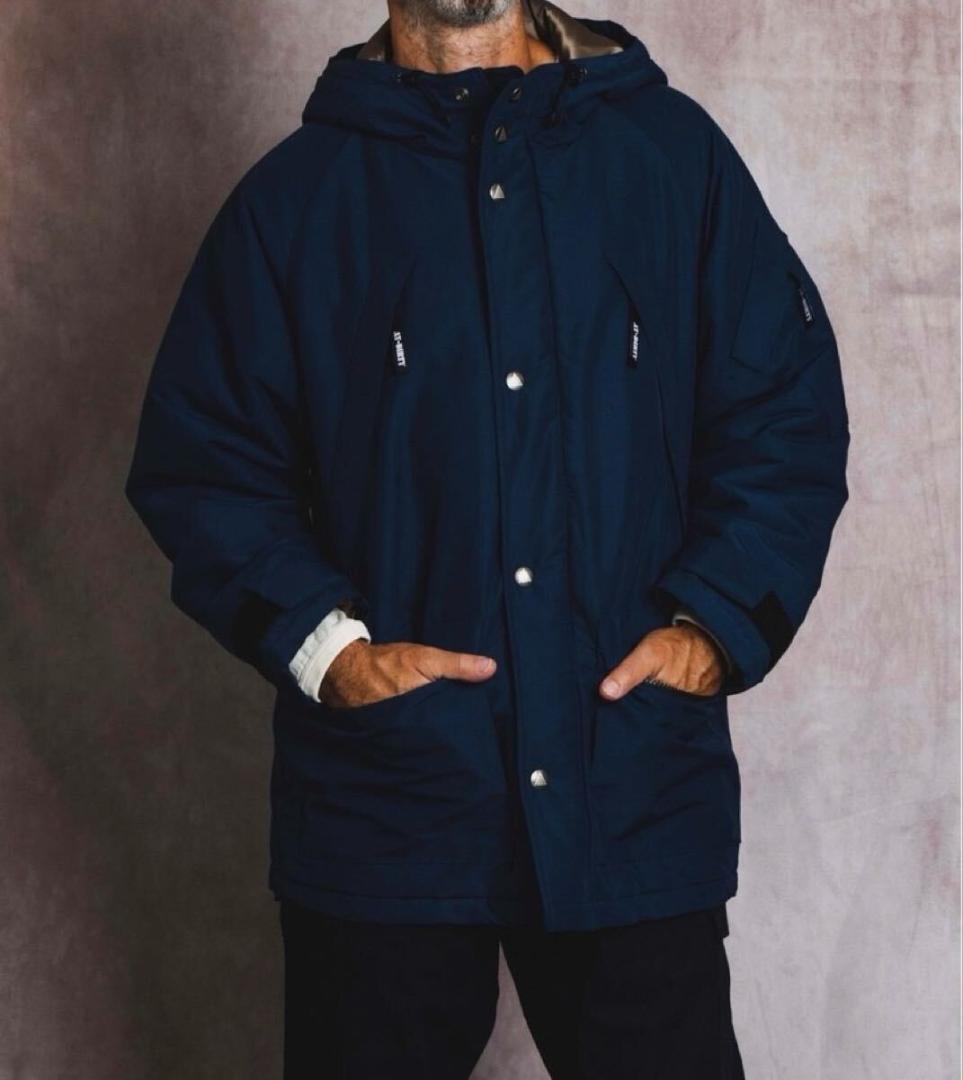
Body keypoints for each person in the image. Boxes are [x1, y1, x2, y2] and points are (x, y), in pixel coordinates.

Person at [124, 0, 850, 1075]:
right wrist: (332, 654)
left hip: (628, 783)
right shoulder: (295, 200)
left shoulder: (670, 159)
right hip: (388, 808)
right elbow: (204, 463)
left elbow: (783, 414)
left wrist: (713, 628)